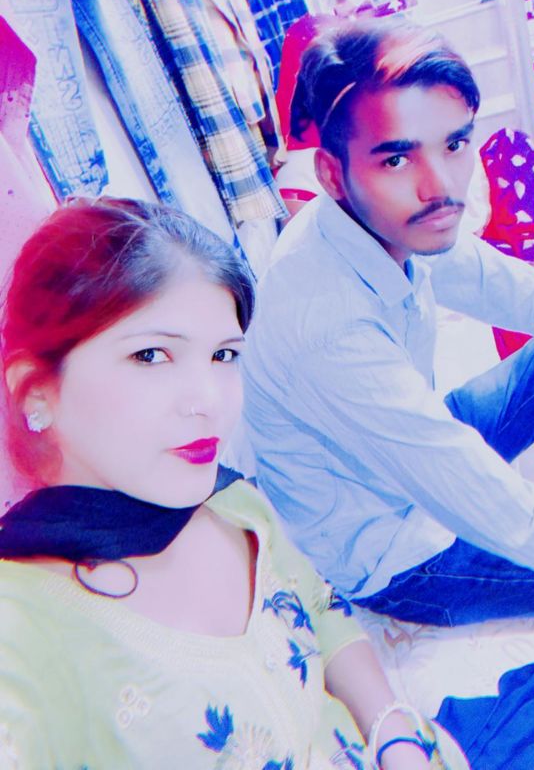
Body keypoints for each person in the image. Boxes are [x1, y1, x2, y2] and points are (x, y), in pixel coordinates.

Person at [0, 197, 465, 770]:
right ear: (36, 392)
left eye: (224, 355)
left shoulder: (237, 506)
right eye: (151, 355)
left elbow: (322, 609)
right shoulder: (20, 625)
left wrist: (393, 733)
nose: (210, 401)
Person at [241, 18, 534, 643]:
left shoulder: (387, 218)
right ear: (332, 174)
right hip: (401, 559)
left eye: (454, 144)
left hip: (408, 463)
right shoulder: (328, 327)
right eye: (397, 158)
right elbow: (519, 523)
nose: (442, 187)